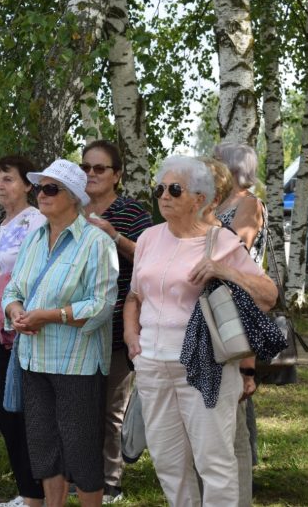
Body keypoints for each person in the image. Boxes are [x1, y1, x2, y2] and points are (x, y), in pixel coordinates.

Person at [123, 156, 277, 506]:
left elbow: (268, 295)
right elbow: (134, 297)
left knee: (214, 461)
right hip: (152, 366)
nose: (164, 196)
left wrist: (224, 269)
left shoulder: (220, 242)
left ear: (200, 198)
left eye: (175, 189)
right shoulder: (148, 238)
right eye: (160, 188)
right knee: (167, 462)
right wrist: (132, 338)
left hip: (205, 365)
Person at [2, 159, 118, 507]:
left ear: (74, 197)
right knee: (44, 447)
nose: (41, 194)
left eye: (51, 188)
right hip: (34, 359)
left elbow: (101, 305)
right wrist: (16, 311)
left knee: (81, 450)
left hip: (76, 364)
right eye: (39, 188)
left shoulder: (96, 242)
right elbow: (12, 290)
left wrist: (50, 316)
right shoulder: (34, 239)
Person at [81, 140, 153, 504]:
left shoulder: (130, 211)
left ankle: (111, 482)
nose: (91, 175)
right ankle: (84, 477)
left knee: (111, 408)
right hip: (75, 327)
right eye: (86, 168)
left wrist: (115, 236)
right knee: (81, 406)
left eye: (99, 168)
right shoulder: (72, 208)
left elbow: (152, 258)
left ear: (117, 175)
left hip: (118, 327)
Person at [0, 156, 46, 507]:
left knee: (21, 411)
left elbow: (36, 271)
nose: (1, 185)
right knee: (7, 411)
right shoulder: (2, 224)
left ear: (28, 185)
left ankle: (35, 493)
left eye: (9, 179)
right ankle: (29, 491)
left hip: (24, 328)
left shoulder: (35, 221)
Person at [213, 142, 270, 504]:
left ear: (232, 170)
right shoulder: (219, 205)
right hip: (218, 309)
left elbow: (237, 248)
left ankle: (240, 497)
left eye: (214, 163)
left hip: (237, 308)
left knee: (234, 415)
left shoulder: (248, 204)